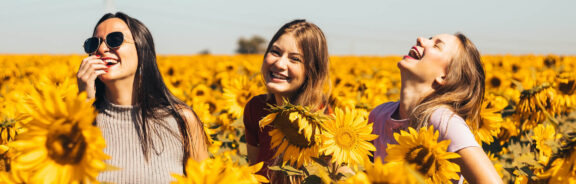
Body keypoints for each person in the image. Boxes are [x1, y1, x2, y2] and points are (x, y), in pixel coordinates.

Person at [76, 12, 208, 183]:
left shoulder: (181, 120)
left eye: (115, 39)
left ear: (141, 49)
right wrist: (82, 105)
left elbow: (207, 179)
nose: (101, 49)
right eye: (94, 43)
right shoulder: (76, 123)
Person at [369, 33, 503, 183]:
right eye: (429, 38)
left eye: (436, 45)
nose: (420, 39)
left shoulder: (444, 122)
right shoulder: (379, 115)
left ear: (444, 77)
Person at [243, 19, 331, 180]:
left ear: (312, 70)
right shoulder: (256, 109)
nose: (280, 63)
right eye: (275, 52)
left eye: (295, 59)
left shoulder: (326, 120)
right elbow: (254, 174)